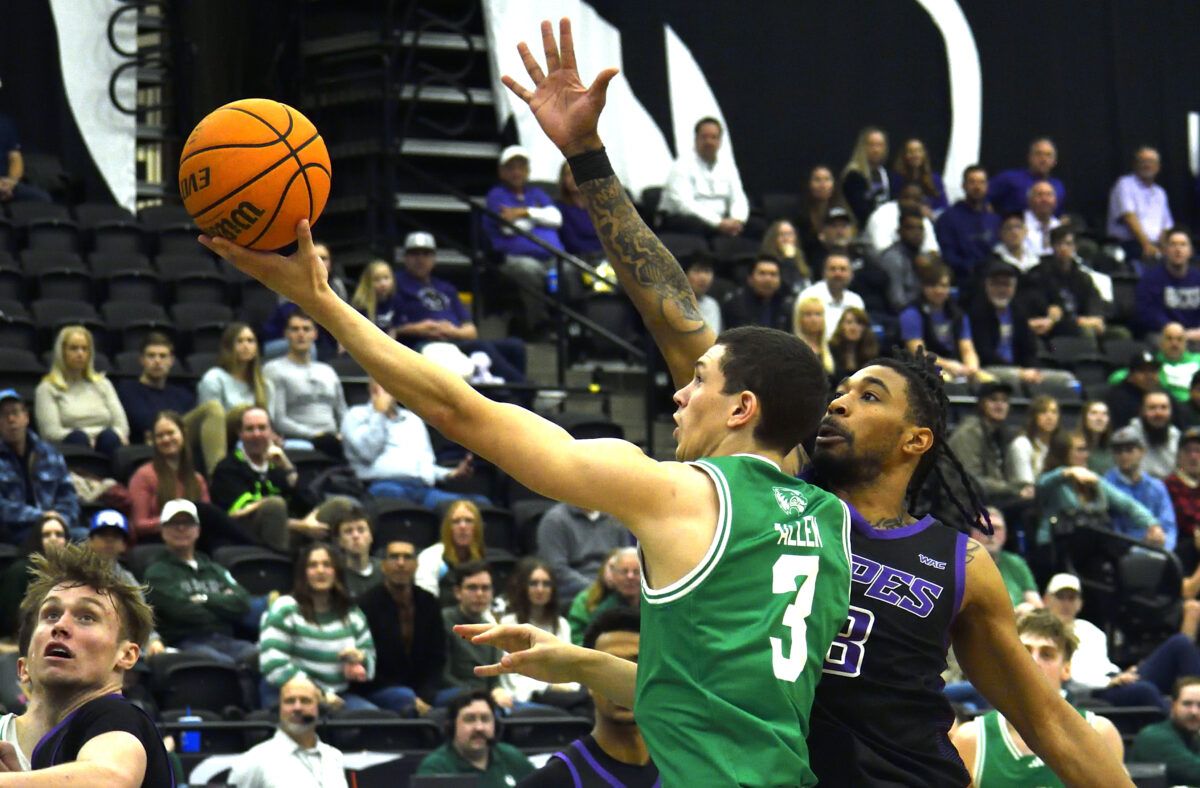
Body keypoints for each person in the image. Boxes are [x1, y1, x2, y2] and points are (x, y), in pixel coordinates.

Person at [452, 20, 1129, 786]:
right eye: (838, 391)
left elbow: (1048, 723)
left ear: (917, 440)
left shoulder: (959, 564)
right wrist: (587, 160)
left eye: (866, 396)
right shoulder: (782, 497)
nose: (837, 404)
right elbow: (672, 309)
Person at [5, 543, 172, 783]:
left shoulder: (116, 715)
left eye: (86, 617)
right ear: (24, 666)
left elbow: (110, 779)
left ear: (126, 655)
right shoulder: (45, 747)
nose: (60, 626)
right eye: (51, 614)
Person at [951, 609, 1122, 783]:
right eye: (1023, 651)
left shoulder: (1100, 733)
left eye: (1047, 654)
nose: (1032, 662)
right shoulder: (971, 739)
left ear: (1067, 669)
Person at [518, 608, 658, 787]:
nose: (618, 680)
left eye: (633, 666)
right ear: (587, 680)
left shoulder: (683, 763)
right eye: (607, 667)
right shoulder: (559, 777)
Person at [1043, 572, 1195, 710]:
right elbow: (1071, 678)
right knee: (1145, 690)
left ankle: (1195, 697)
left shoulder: (1090, 629)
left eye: (1071, 598)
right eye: (1061, 597)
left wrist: (1120, 673)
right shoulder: (1042, 635)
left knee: (1180, 643)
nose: (1066, 603)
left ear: (1080, 603)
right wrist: (1110, 681)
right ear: (1047, 600)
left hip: (1115, 678)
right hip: (1096, 690)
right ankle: (1185, 723)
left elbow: (1102, 665)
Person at [393, 231, 527, 383]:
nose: (420, 259)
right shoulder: (395, 284)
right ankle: (527, 390)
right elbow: (388, 328)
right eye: (414, 254)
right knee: (480, 347)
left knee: (515, 346)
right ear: (405, 257)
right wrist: (418, 329)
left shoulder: (446, 288)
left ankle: (521, 401)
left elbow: (471, 331)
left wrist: (453, 331)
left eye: (426, 254)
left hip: (454, 340)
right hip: (421, 345)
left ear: (434, 258)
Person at [259, 542, 377, 710]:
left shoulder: (352, 613)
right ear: (303, 573)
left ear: (336, 572)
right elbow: (273, 663)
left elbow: (370, 660)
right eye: (313, 565)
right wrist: (318, 695)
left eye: (327, 565)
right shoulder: (285, 607)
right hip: (292, 695)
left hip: (338, 696)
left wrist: (360, 659)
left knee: (373, 719)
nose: (320, 571)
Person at [143, 498, 257, 665]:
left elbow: (243, 603)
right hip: (186, 644)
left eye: (188, 523)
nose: (181, 528)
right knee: (221, 665)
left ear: (197, 530)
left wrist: (203, 599)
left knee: (261, 658)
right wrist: (223, 610)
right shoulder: (156, 573)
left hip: (227, 640)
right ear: (163, 530)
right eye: (174, 523)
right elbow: (181, 612)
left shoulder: (215, 569)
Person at [342, 378, 480, 509]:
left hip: (423, 489)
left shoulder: (413, 419)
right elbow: (367, 452)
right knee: (397, 501)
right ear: (373, 388)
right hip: (383, 486)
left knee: (477, 505)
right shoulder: (355, 415)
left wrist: (451, 474)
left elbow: (424, 466)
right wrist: (379, 413)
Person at [210, 406, 317, 552]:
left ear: (272, 433)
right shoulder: (228, 468)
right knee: (275, 504)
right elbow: (243, 514)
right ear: (240, 434)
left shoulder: (279, 464)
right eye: (250, 429)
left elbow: (310, 502)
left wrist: (288, 467)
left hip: (296, 531)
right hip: (249, 537)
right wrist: (301, 525)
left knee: (339, 506)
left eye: (262, 428)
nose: (256, 434)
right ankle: (279, 568)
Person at [116, 333, 226, 474]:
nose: (157, 361)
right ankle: (218, 478)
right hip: (153, 442)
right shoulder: (128, 389)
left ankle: (220, 475)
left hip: (181, 440)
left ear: (171, 361)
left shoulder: (182, 394)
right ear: (141, 360)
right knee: (212, 408)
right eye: (151, 356)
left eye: (162, 356)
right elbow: (144, 424)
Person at [357, 540, 445, 716]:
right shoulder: (366, 604)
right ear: (383, 566)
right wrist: (412, 697)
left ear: (416, 565)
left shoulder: (429, 603)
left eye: (407, 557)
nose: (401, 563)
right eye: (394, 557)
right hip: (378, 688)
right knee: (406, 701)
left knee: (469, 699)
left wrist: (425, 694)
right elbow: (367, 659)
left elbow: (438, 656)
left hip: (424, 691)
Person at [484, 145, 564, 335]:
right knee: (530, 271)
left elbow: (556, 219)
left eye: (521, 167)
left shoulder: (537, 194)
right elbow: (508, 229)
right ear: (501, 172)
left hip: (552, 257)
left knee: (569, 271)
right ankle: (540, 326)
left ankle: (568, 327)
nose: (516, 172)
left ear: (527, 171)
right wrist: (539, 217)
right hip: (515, 258)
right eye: (511, 167)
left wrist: (524, 212)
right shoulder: (497, 195)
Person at [1034, 431, 1157, 549]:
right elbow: (1041, 485)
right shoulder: (1054, 482)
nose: (1086, 455)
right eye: (1080, 450)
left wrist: (1152, 524)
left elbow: (1127, 503)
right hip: (1056, 546)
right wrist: (1067, 472)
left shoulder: (1092, 479)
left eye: (1086, 450)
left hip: (1091, 546)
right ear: (1064, 452)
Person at [226, 674, 348, 788]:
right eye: (289, 701)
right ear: (280, 709)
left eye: (305, 700)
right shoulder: (254, 760)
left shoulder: (333, 756)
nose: (297, 707)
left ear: (318, 708)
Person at [34, 325, 128, 457]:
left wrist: (109, 437)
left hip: (106, 445)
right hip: (71, 449)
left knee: (110, 437)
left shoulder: (103, 384)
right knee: (78, 437)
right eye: (74, 348)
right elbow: (50, 432)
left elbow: (122, 425)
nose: (80, 353)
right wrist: (90, 438)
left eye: (85, 349)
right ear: (62, 352)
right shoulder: (47, 388)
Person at [498, 558, 580, 707]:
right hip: (527, 693)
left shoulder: (562, 624)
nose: (540, 589)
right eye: (533, 583)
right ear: (524, 587)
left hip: (561, 690)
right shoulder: (509, 624)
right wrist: (546, 686)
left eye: (546, 584)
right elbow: (512, 672)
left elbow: (568, 665)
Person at [0, 389, 78, 544]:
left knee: (90, 539)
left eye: (15, 412)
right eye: (3, 415)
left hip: (56, 524)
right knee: (45, 542)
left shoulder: (49, 453)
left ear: (26, 417)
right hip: (14, 530)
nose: (11, 419)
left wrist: (60, 520)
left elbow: (68, 494)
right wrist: (41, 517)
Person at [263, 311, 347, 455]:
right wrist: (315, 434)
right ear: (286, 334)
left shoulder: (328, 371)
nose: (301, 334)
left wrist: (345, 434)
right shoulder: (274, 370)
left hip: (334, 439)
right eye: (295, 329)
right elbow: (278, 419)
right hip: (299, 440)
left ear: (315, 334)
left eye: (306, 329)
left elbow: (342, 412)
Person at [415, 689, 535, 784]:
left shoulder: (512, 757)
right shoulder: (435, 768)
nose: (479, 727)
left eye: (485, 719)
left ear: (496, 724)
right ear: (452, 726)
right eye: (470, 719)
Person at [658, 116, 750, 238]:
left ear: (720, 141)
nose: (709, 142)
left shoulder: (727, 166)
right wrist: (718, 223)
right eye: (704, 137)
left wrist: (737, 220)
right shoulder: (682, 165)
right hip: (686, 219)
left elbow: (738, 197)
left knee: (756, 227)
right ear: (696, 139)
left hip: (723, 221)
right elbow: (685, 204)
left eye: (714, 137)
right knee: (701, 228)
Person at [966, 258, 1049, 387]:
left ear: (1014, 287)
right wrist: (1019, 371)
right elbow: (984, 353)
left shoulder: (1019, 313)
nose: (1002, 289)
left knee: (1064, 379)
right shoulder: (977, 313)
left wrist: (1033, 369)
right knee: (1013, 378)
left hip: (1020, 371)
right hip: (988, 370)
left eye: (1006, 284)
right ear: (987, 286)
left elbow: (1029, 349)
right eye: (996, 284)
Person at [440, 561, 510, 709]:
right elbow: (442, 676)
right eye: (472, 588)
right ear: (457, 592)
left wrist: (498, 691)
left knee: (539, 713)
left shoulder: (492, 627)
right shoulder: (442, 621)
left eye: (485, 588)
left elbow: (495, 679)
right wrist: (483, 696)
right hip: (453, 696)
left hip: (487, 699)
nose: (479, 594)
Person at [261, 240, 345, 360]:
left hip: (322, 342)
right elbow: (272, 331)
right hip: (284, 342)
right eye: (314, 257)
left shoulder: (337, 286)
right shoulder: (288, 286)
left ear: (331, 263)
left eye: (324, 258)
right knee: (308, 345)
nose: (319, 262)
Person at [536, 500, 629, 603]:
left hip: (614, 585)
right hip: (574, 590)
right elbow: (556, 569)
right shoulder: (554, 520)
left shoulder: (615, 518)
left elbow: (627, 557)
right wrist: (597, 587)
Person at [899, 263, 980, 380]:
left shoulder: (958, 314)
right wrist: (949, 366)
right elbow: (918, 353)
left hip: (955, 367)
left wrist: (972, 367)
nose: (938, 290)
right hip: (922, 368)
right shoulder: (912, 314)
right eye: (933, 285)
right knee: (944, 379)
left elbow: (967, 348)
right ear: (923, 287)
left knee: (988, 382)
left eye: (943, 286)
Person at [1023, 226, 1106, 340]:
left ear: (1075, 247)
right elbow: (1040, 305)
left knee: (1119, 334)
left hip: (1081, 322)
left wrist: (1095, 318)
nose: (1063, 248)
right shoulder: (1038, 274)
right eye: (1059, 244)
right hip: (1054, 329)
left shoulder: (1082, 277)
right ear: (1052, 246)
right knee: (1085, 333)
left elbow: (1094, 301)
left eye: (1068, 244)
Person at [1104, 425, 1177, 548]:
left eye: (1129, 449)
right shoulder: (1106, 485)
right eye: (1118, 451)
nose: (1124, 455)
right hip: (1121, 553)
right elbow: (1110, 528)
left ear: (1142, 451)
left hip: (1158, 550)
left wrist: (1164, 544)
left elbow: (1169, 526)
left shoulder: (1156, 486)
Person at [0, 512, 67, 639]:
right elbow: (8, 617)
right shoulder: (19, 571)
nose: (53, 538)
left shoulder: (72, 572)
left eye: (59, 534)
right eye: (46, 535)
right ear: (38, 539)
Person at [935, 164, 1001, 284]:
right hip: (964, 279)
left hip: (994, 278)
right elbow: (948, 255)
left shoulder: (995, 219)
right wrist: (971, 268)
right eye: (972, 182)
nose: (977, 187)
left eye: (981, 182)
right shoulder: (948, 219)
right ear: (963, 186)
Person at [1107, 146, 1174, 263]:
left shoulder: (1160, 193)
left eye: (1151, 162)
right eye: (1143, 161)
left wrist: (1163, 248)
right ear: (1135, 164)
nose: (1147, 165)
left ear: (1158, 167)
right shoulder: (1124, 184)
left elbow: (1165, 226)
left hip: (1155, 246)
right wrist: (1147, 245)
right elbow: (1129, 217)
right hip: (1130, 245)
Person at [1129, 676, 1200, 784]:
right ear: (1173, 705)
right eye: (1187, 704)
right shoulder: (1154, 737)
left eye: (1199, 705)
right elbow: (1195, 772)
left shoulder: (1194, 736)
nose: (1194, 712)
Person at [1109, 322, 1200, 404]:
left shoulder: (1197, 359)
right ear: (1161, 342)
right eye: (1169, 339)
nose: (1174, 343)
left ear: (1186, 343)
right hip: (1169, 406)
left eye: (1179, 339)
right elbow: (1116, 377)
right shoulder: (1153, 363)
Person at [416, 499, 488, 601]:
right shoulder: (431, 557)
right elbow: (426, 601)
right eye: (456, 521)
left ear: (477, 528)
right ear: (447, 528)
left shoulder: (482, 558)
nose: (462, 526)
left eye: (469, 521)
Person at [566, 547, 639, 646]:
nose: (630, 577)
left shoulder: (653, 604)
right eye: (624, 571)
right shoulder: (590, 603)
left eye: (636, 572)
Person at [196, 322, 275, 414]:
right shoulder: (214, 379)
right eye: (239, 341)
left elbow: (269, 423)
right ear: (228, 347)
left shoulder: (266, 386)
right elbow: (211, 420)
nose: (246, 346)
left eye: (250, 341)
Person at [1137, 230, 1200, 340]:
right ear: (1165, 250)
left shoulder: (1198, 279)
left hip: (1195, 335)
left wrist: (1192, 333)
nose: (1178, 249)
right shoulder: (1150, 279)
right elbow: (1147, 314)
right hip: (1163, 335)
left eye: (1183, 245)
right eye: (1173, 244)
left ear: (1190, 251)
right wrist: (1174, 332)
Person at [797, 248, 866, 341]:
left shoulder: (856, 301)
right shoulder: (809, 296)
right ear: (824, 273)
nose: (838, 273)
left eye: (843, 269)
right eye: (833, 269)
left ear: (851, 274)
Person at [978, 507, 1040, 609]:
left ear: (1005, 534)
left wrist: (1028, 609)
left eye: (996, 528)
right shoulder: (960, 564)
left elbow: (1037, 606)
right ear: (971, 533)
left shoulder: (1016, 563)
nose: (989, 533)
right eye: (983, 527)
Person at [988, 138, 1066, 216]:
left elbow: (1058, 215)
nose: (1043, 159)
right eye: (1039, 154)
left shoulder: (1058, 186)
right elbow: (984, 197)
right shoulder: (1009, 178)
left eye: (1048, 155)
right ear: (1030, 157)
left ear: (1054, 161)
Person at [877, 207, 933, 313]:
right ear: (899, 231)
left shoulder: (924, 256)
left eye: (920, 228)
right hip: (899, 316)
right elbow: (897, 302)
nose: (917, 233)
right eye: (910, 228)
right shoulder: (893, 258)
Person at [863, 182, 940, 257]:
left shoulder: (922, 219)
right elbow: (882, 251)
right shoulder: (882, 215)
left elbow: (933, 252)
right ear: (899, 198)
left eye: (916, 200)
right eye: (907, 198)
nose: (911, 203)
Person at [719, 256, 795, 332]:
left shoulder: (787, 304)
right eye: (762, 273)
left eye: (773, 274)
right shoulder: (736, 305)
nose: (768, 279)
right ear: (750, 279)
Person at [796, 165, 852, 264]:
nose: (823, 185)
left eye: (827, 179)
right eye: (817, 180)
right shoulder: (801, 216)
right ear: (809, 184)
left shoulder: (843, 209)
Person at [838, 126, 893, 225]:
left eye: (880, 145)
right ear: (862, 147)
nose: (876, 150)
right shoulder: (854, 175)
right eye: (871, 145)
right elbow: (859, 209)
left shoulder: (886, 174)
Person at [328, 504, 382, 599]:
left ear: (371, 536)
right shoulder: (334, 574)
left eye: (361, 530)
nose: (356, 536)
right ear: (339, 541)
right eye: (348, 531)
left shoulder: (385, 570)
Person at [1125, 390, 1182, 479]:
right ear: (1142, 411)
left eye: (1164, 408)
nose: (1158, 413)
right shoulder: (1128, 437)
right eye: (1152, 408)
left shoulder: (1177, 437)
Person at [1007, 395, 1062, 486]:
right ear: (1034, 417)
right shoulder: (1022, 445)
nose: (1050, 417)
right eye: (1043, 412)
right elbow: (1027, 486)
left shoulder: (1059, 445)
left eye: (1054, 412)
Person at [0, 107, 51, 203]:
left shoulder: (5, 122)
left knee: (42, 198)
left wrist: (12, 182)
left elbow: (15, 158)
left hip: (6, 183)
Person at [1167, 427, 1200, 575]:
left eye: (1198, 451)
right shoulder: (1169, 485)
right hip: (1181, 546)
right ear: (1179, 455)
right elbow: (1182, 519)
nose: (1193, 457)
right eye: (1188, 451)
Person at [1106, 350, 1164, 431]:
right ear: (1130, 375)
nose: (1149, 376)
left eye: (1153, 371)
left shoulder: (1163, 395)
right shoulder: (1117, 398)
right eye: (1143, 371)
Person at [890, 138, 947, 214]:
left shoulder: (935, 179)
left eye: (918, 151)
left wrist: (932, 214)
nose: (915, 155)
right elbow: (892, 205)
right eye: (911, 152)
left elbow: (944, 206)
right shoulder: (897, 179)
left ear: (924, 154)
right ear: (904, 155)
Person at [828, 307, 878, 383]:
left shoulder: (871, 353)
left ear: (865, 328)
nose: (853, 327)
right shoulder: (830, 349)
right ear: (841, 326)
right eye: (849, 322)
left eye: (859, 323)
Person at [761, 219, 811, 293]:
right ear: (773, 239)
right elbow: (786, 287)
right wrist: (788, 259)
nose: (786, 238)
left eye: (790, 234)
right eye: (781, 234)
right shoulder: (768, 262)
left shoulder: (801, 261)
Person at [349, 259, 398, 331]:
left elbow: (394, 329)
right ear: (367, 282)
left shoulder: (395, 300)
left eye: (386, 278)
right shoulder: (361, 305)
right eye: (377, 280)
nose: (383, 284)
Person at [793, 296, 834, 377]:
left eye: (818, 314)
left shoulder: (832, 347)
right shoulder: (793, 348)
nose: (814, 319)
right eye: (808, 314)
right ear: (799, 319)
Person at [1023, 181, 1062, 257]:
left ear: (1055, 201)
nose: (1044, 200)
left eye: (1049, 195)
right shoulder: (1020, 224)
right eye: (1039, 195)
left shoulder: (1058, 226)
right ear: (1029, 200)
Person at [684, 256, 722, 333]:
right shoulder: (673, 303)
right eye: (697, 271)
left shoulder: (712, 304)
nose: (703, 277)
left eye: (707, 271)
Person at [1081, 400, 1115, 474]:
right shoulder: (1075, 446)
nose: (1099, 418)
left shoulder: (1112, 448)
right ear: (1084, 418)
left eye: (1104, 414)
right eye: (1094, 413)